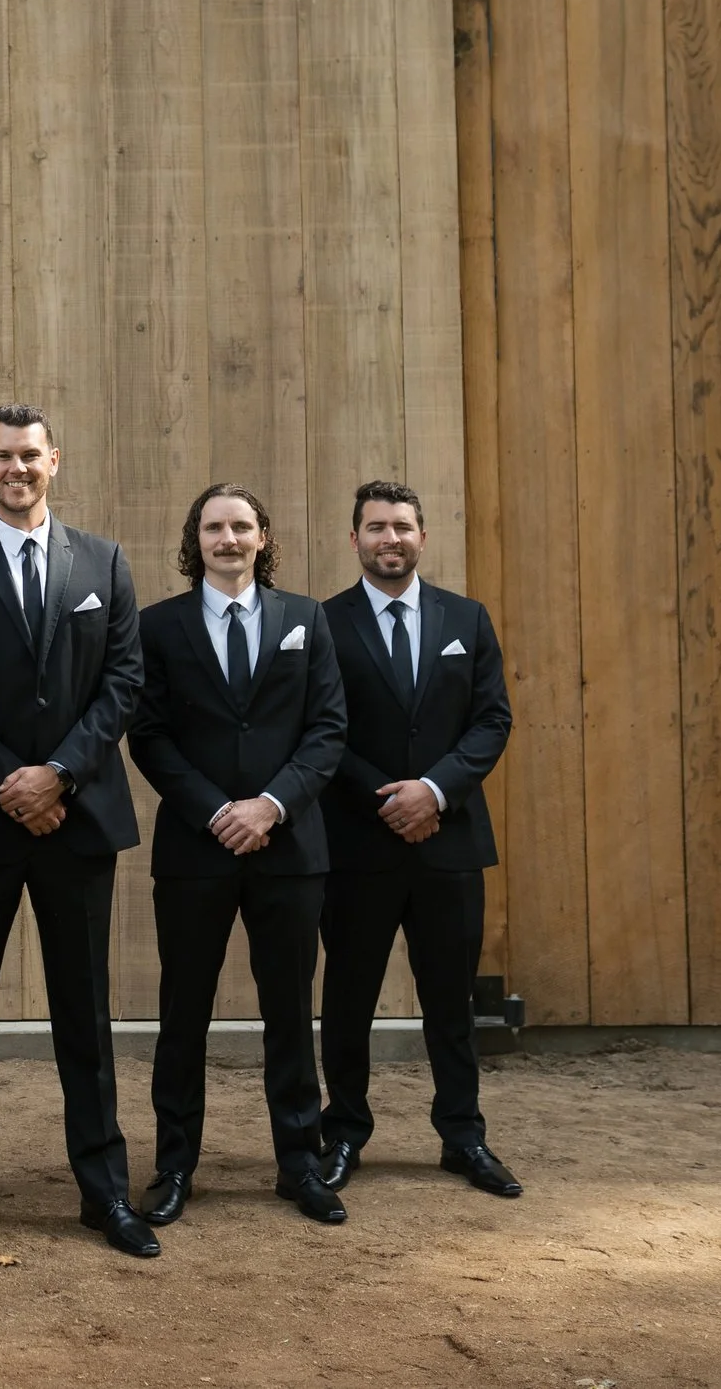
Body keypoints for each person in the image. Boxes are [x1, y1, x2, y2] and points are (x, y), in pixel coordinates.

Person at [0, 406, 158, 1259]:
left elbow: (124, 680)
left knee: (84, 1014)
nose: (17, 468)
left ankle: (103, 1190)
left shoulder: (105, 560)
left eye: (30, 454)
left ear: (55, 458)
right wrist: (9, 781)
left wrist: (58, 774)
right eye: (2, 456)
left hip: (77, 816)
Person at [129, 483, 348, 1227]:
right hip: (196, 849)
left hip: (289, 849)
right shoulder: (158, 626)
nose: (229, 538)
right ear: (197, 540)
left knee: (289, 1011)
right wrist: (217, 810)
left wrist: (270, 806)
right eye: (214, 527)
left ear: (263, 537)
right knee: (181, 1013)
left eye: (242, 526)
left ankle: (300, 1164)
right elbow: (148, 734)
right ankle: (174, 1166)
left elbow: (327, 729)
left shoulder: (305, 618)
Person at [317, 481, 520, 1198]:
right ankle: (342, 1132)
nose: (390, 538)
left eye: (402, 526)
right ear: (355, 541)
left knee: (450, 1000)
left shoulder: (467, 618)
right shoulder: (323, 624)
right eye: (376, 527)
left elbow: (491, 720)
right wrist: (390, 798)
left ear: (422, 536)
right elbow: (322, 731)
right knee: (348, 998)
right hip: (357, 847)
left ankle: (463, 1135)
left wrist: (432, 791)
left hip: (449, 842)